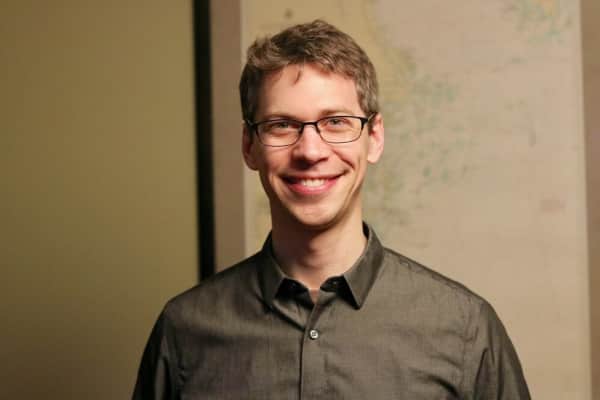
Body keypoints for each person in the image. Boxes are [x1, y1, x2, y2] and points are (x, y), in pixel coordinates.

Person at [132, 20, 530, 399]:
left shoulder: (465, 329)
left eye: (336, 122)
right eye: (281, 125)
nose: (310, 151)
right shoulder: (183, 332)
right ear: (249, 146)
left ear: (374, 138)